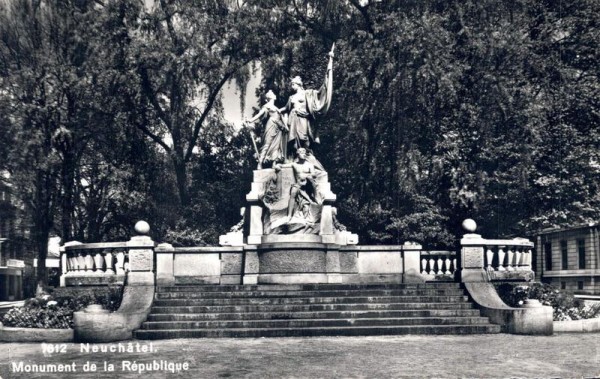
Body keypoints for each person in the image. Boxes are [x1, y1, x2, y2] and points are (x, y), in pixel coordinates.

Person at [279, 46, 334, 164]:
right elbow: (286, 108)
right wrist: (276, 110)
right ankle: (296, 159)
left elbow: (321, 92)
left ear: (298, 84)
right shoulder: (291, 98)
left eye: (293, 84)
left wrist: (328, 71)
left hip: (303, 119)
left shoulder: (307, 94)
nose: (291, 86)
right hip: (293, 119)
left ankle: (307, 159)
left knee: (305, 141)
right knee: (294, 143)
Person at [245, 90, 288, 169]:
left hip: (279, 127)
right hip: (271, 125)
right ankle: (260, 163)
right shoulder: (266, 106)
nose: (274, 95)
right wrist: (251, 120)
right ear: (269, 98)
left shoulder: (276, 108)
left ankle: (274, 163)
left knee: (276, 146)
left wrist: (285, 126)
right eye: (272, 94)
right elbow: (259, 114)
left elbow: (282, 118)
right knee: (267, 144)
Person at [287, 148, 322, 224]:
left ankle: (316, 197)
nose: (303, 154)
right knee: (293, 192)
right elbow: (285, 166)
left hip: (307, 184)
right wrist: (277, 165)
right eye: (301, 152)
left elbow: (313, 174)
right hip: (299, 184)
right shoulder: (295, 164)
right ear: (298, 154)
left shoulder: (309, 165)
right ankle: (289, 215)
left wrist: (306, 176)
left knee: (310, 180)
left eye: (304, 152)